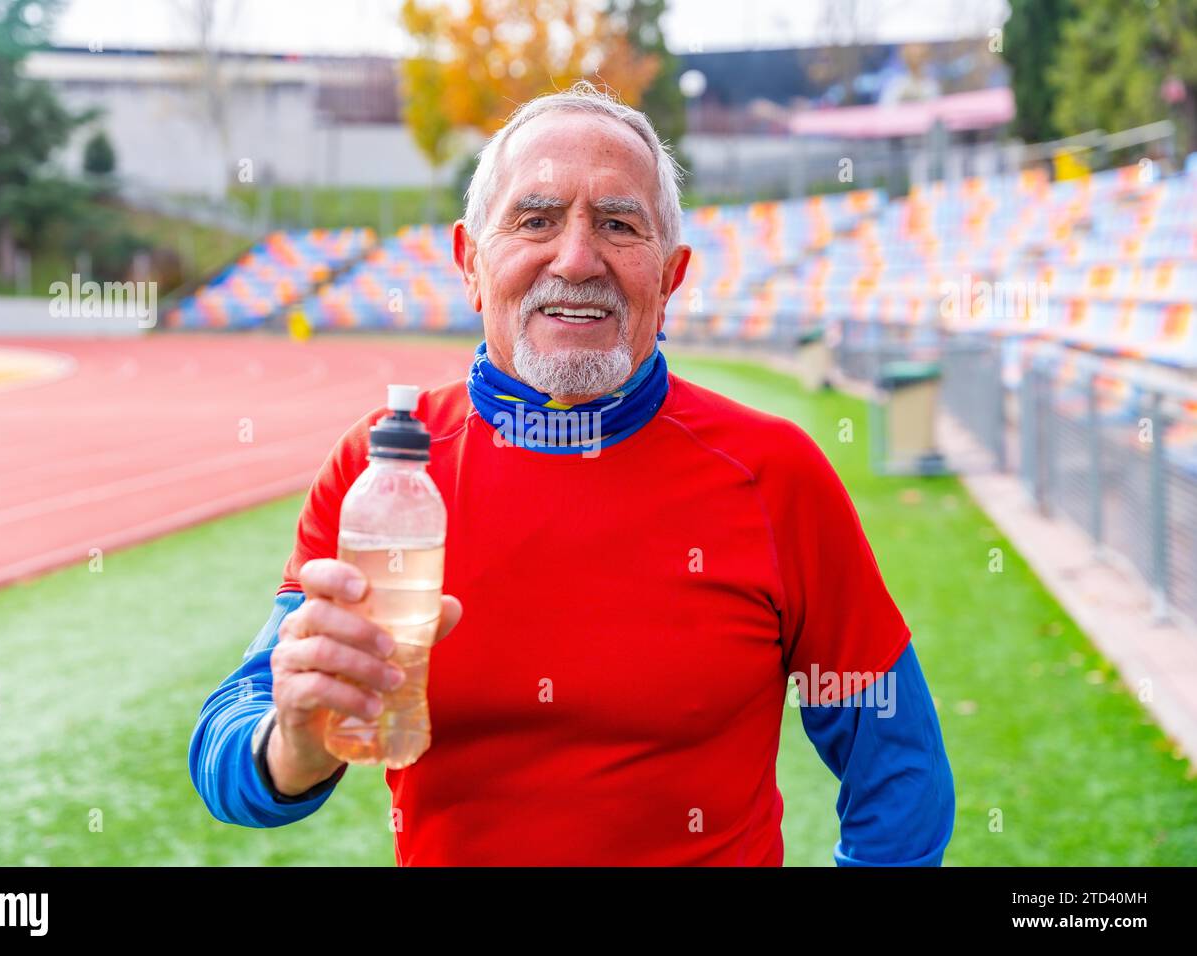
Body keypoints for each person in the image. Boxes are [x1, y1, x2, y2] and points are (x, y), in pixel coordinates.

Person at [189, 80, 955, 866]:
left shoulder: (774, 474)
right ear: (470, 262)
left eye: (619, 225)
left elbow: (899, 769)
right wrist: (294, 746)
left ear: (671, 275)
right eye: (536, 220)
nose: (577, 258)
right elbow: (228, 749)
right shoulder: (381, 470)